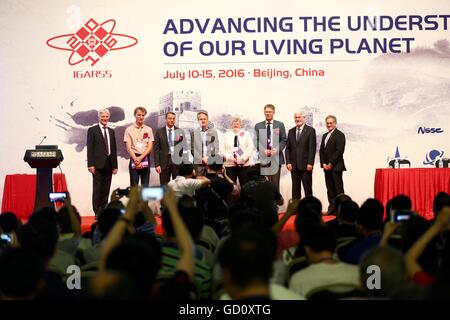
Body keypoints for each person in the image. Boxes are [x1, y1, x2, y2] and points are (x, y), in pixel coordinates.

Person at [87, 108, 118, 217]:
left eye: (106, 117)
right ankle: (97, 212)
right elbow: (90, 149)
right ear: (99, 118)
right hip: (97, 165)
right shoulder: (92, 130)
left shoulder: (111, 131)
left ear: (108, 118)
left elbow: (114, 149)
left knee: (106, 189)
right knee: (97, 189)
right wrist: (90, 164)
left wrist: (115, 166)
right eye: (102, 117)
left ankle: (103, 211)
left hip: (109, 164)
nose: (105, 118)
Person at [254, 104, 287, 191]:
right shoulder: (258, 126)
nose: (268, 113)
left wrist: (277, 149)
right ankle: (265, 203)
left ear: (273, 113)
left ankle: (275, 203)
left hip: (276, 158)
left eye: (270, 112)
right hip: (263, 158)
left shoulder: (280, 125)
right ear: (264, 113)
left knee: (275, 185)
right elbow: (256, 141)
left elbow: (284, 140)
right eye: (266, 112)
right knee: (264, 185)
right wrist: (263, 150)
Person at [285, 111, 317, 199]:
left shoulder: (311, 130)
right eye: (296, 117)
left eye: (299, 117)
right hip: (293, 166)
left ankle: (310, 209)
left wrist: (310, 163)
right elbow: (288, 148)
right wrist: (288, 162)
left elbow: (312, 148)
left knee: (307, 189)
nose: (297, 119)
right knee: (295, 189)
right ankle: (296, 209)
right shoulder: (291, 131)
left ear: (304, 118)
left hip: (306, 165)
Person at [319, 115, 346, 213]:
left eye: (331, 123)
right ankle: (332, 209)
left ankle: (341, 211)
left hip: (336, 167)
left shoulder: (340, 135)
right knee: (329, 189)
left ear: (335, 123)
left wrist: (330, 163)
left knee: (338, 190)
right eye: (327, 123)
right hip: (326, 167)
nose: (329, 125)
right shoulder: (324, 136)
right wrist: (323, 164)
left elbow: (339, 151)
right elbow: (321, 151)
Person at [124, 106, 154, 187]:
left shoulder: (149, 129)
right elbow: (128, 147)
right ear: (135, 115)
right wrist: (136, 159)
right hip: (134, 158)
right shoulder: (129, 129)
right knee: (134, 187)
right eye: (139, 115)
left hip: (145, 158)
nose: (141, 117)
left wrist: (141, 158)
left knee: (145, 187)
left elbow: (150, 146)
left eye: (143, 115)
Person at [221, 117, 254, 187]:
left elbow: (250, 147)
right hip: (229, 165)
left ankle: (244, 198)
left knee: (245, 186)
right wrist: (230, 158)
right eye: (234, 123)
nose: (236, 125)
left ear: (240, 125)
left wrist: (244, 158)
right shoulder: (226, 135)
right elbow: (222, 149)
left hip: (244, 165)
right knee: (230, 186)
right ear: (231, 125)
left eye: (238, 123)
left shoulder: (246, 134)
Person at [154, 111, 184, 185]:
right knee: (164, 186)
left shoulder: (180, 131)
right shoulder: (159, 132)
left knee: (178, 186)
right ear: (166, 119)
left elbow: (182, 149)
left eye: (173, 119)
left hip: (177, 163)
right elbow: (156, 150)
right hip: (163, 163)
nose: (172, 120)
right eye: (170, 118)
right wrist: (157, 164)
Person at [191, 111, 221, 176]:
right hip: (198, 165)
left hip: (211, 164)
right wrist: (201, 159)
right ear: (198, 120)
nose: (203, 121)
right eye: (201, 119)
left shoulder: (213, 132)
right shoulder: (194, 133)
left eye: (204, 119)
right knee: (199, 184)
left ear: (207, 120)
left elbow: (216, 148)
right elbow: (193, 149)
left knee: (211, 183)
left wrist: (208, 158)